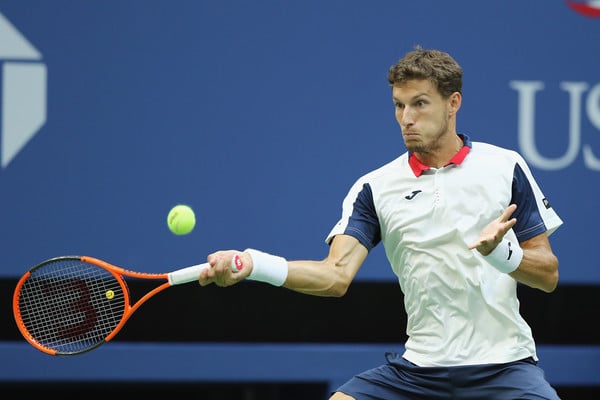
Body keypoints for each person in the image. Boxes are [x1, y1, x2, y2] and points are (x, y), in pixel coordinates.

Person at [199, 46, 564, 400]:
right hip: (418, 372)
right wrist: (252, 264)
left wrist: (502, 253)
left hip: (504, 367)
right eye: (399, 105)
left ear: (453, 103)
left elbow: (548, 275)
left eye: (420, 104)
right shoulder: (375, 188)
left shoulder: (504, 166)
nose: (407, 118)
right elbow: (335, 276)